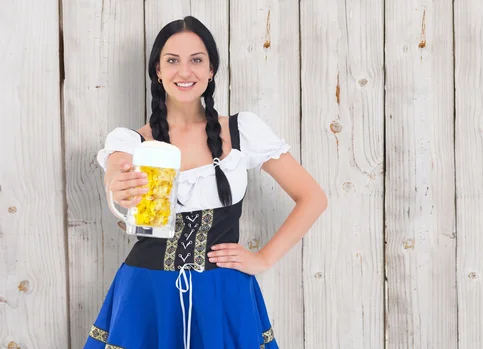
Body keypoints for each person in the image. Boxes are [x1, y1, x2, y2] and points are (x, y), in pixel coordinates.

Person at [84, 16, 327, 349]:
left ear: (211, 69)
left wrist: (263, 258)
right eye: (172, 61)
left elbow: (312, 197)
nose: (185, 72)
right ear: (158, 70)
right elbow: (117, 172)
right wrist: (119, 184)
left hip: (224, 295)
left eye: (196, 60)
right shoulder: (130, 141)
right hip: (149, 295)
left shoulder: (243, 131)